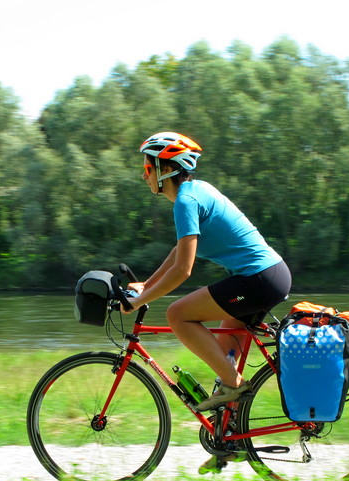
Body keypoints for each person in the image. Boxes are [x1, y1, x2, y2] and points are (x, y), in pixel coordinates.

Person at [122, 131, 291, 413]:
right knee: (224, 360)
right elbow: (180, 251)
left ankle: (236, 386)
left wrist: (139, 301)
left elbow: (183, 270)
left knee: (177, 314)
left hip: (257, 281)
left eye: (147, 168)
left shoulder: (186, 203)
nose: (144, 176)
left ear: (165, 170)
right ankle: (230, 439)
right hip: (269, 276)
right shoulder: (198, 190)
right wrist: (147, 284)